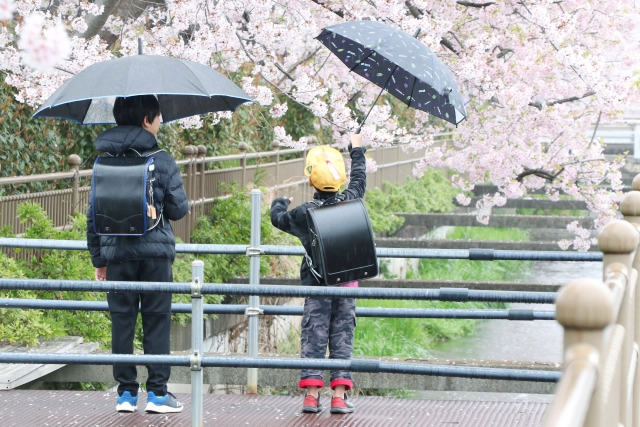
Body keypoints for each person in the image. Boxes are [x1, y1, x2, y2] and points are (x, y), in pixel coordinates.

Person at [86, 95, 189, 414]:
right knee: (156, 321)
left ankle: (126, 395)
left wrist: (99, 259)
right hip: (156, 255)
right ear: (147, 119)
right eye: (158, 117)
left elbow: (94, 215)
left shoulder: (103, 162)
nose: (160, 123)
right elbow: (178, 209)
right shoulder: (163, 159)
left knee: (122, 323)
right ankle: (157, 394)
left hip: (117, 255)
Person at [270, 133, 365, 414]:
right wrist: (356, 150)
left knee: (314, 335)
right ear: (341, 180)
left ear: (310, 180)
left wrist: (279, 203)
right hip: (346, 284)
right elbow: (359, 180)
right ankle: (339, 396)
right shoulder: (351, 199)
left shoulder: (303, 213)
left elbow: (277, 219)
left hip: (316, 286)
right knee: (342, 336)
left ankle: (311, 396)